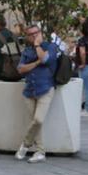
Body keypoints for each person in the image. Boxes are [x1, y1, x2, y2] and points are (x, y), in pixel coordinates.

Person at [15, 24, 60, 163]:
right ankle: (40, 152)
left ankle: (25, 144)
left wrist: (37, 46)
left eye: (36, 33)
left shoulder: (50, 46)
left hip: (45, 88)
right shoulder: (26, 51)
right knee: (36, 123)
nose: (34, 35)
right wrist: (35, 63)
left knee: (38, 120)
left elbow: (46, 59)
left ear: (41, 33)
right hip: (29, 90)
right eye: (31, 34)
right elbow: (20, 69)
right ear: (27, 36)